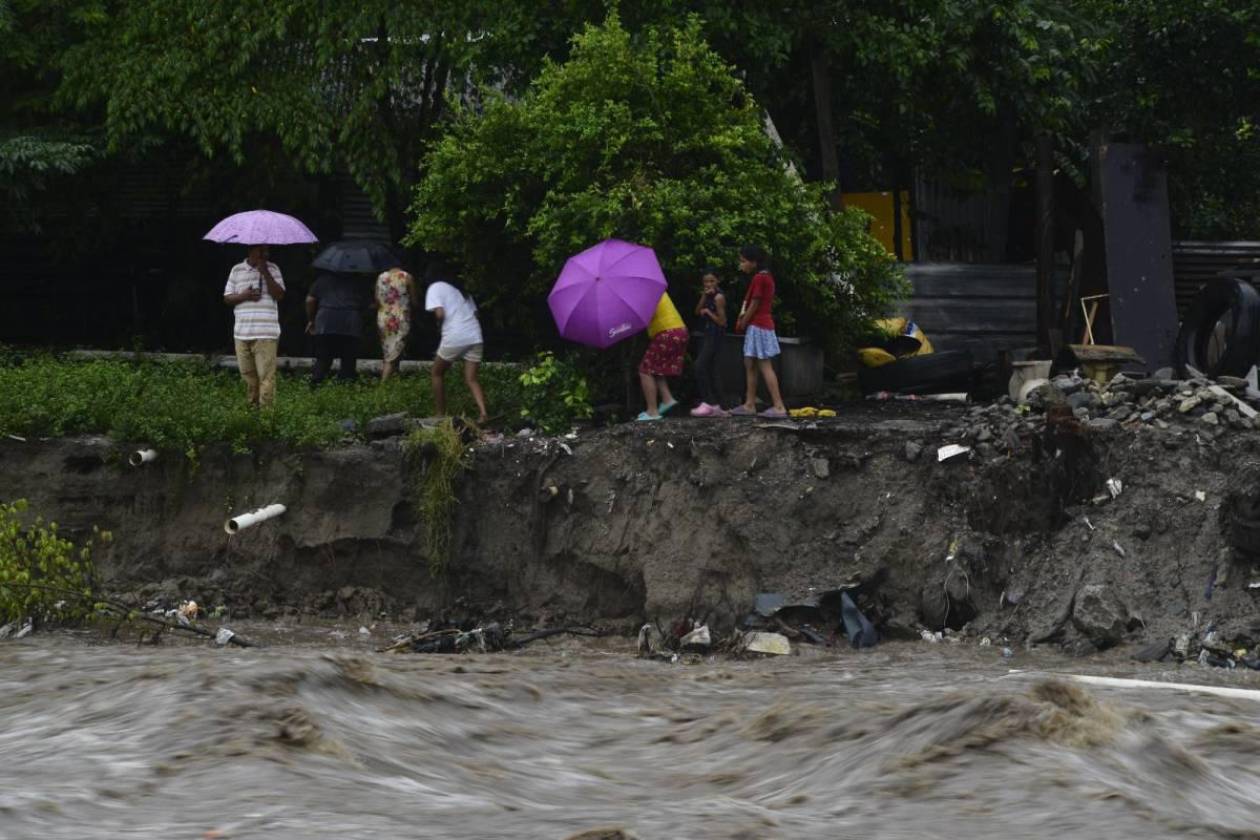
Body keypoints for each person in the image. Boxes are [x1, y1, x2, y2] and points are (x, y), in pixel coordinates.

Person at [424, 262, 488, 424]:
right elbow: (475, 314)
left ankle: (440, 414)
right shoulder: (461, 291)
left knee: (436, 373)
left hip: (456, 335)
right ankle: (483, 413)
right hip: (475, 335)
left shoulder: (435, 287)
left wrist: (438, 326)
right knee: (471, 378)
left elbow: (439, 313)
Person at [223, 244, 285, 408]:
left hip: (266, 333)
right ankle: (251, 413)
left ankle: (266, 419)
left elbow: (279, 295)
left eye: (267, 250)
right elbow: (227, 298)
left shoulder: (273, 268)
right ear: (251, 250)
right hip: (242, 332)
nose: (266, 254)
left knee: (266, 377)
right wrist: (244, 296)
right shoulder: (237, 270)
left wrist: (265, 272)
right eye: (262, 250)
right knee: (247, 377)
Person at [729, 245, 787, 418]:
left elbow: (755, 303)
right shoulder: (764, 277)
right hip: (758, 326)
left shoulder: (760, 278)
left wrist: (743, 321)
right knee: (750, 364)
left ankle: (778, 406)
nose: (741, 265)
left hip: (758, 326)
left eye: (743, 261)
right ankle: (749, 404)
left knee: (764, 365)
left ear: (754, 262)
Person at [306, 270, 366, 385]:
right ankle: (345, 387)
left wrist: (311, 320)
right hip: (350, 323)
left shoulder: (322, 280)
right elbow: (366, 303)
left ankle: (316, 385)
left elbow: (310, 300)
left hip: (326, 322)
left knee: (323, 358)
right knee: (349, 359)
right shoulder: (357, 282)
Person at [636, 291, 688, 422]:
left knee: (645, 370)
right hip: (679, 330)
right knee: (656, 368)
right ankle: (667, 399)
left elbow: (643, 317)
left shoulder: (645, 294)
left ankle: (652, 411)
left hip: (667, 332)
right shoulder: (655, 289)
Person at [690, 269, 728, 417]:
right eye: (706, 281)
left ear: (717, 281)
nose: (708, 284)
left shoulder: (719, 297)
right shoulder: (707, 296)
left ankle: (710, 402)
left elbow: (723, 321)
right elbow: (697, 311)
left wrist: (709, 313)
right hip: (707, 334)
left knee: (699, 366)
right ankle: (721, 406)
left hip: (715, 335)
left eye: (712, 281)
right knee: (712, 370)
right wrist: (703, 297)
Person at [375, 265, 416, 380]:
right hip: (400, 318)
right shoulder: (407, 277)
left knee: (389, 351)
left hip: (383, 317)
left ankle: (394, 381)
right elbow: (414, 301)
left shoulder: (381, 277)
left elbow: (377, 300)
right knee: (394, 354)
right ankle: (383, 386)